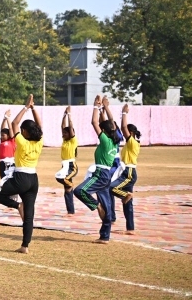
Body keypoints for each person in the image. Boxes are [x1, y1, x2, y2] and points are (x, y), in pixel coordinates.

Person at [0, 94, 43, 254]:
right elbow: (39, 125)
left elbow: (15, 123)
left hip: (20, 178)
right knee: (29, 214)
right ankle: (25, 246)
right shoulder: (39, 141)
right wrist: (33, 108)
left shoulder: (22, 141)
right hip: (33, 179)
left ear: (24, 131)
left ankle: (17, 205)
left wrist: (26, 107)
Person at [74, 95, 121, 244]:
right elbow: (111, 123)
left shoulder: (106, 140)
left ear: (104, 131)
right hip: (107, 175)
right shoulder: (115, 141)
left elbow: (94, 122)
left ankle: (96, 205)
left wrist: (95, 106)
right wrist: (104, 108)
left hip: (100, 174)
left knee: (79, 191)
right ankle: (105, 237)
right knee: (107, 205)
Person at [109, 103, 141, 235]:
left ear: (131, 133)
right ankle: (130, 228)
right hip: (127, 171)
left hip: (129, 173)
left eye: (127, 131)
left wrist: (124, 113)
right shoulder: (130, 144)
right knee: (128, 203)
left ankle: (126, 195)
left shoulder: (133, 142)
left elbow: (123, 126)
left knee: (111, 188)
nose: (124, 133)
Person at [55, 106, 79, 215]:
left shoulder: (73, 141)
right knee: (67, 190)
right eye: (63, 133)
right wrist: (64, 115)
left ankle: (71, 185)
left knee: (63, 180)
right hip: (64, 166)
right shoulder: (65, 141)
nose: (63, 134)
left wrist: (69, 115)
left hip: (71, 166)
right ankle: (70, 211)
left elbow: (70, 126)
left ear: (70, 133)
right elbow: (62, 126)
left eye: (66, 133)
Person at [0, 110, 16, 179]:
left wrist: (8, 118)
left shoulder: (11, 141)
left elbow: (10, 129)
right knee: (2, 178)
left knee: (8, 179)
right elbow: (2, 129)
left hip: (9, 162)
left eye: (3, 135)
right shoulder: (2, 142)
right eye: (1, 135)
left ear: (8, 136)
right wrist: (4, 118)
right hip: (2, 163)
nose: (1, 137)